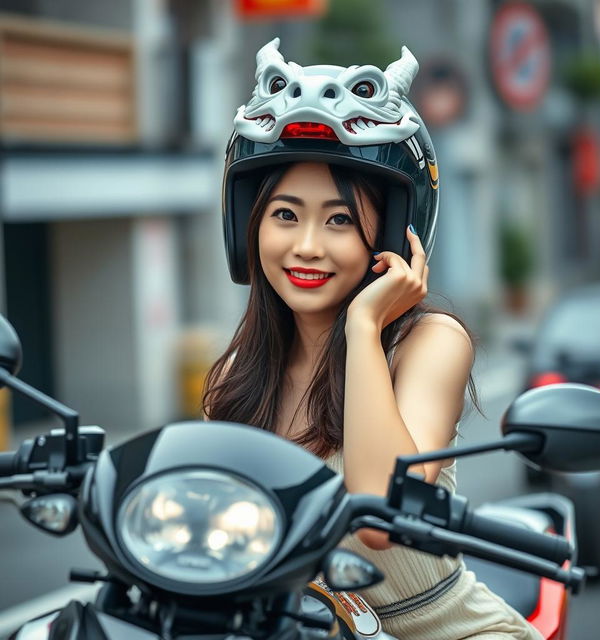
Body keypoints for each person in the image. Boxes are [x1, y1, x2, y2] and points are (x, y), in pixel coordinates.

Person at [203, 39, 542, 640]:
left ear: (389, 233)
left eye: (339, 220)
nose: (306, 245)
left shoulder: (429, 342)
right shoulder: (236, 379)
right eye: (284, 214)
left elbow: (385, 513)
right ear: (247, 226)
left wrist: (363, 327)